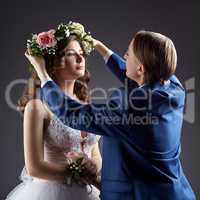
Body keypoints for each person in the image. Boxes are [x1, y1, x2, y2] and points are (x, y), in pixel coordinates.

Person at [26, 30, 196, 200]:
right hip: (175, 192)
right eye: (72, 54)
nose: (124, 56)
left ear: (141, 67)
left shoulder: (129, 107)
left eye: (128, 54)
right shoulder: (173, 87)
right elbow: (142, 76)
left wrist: (42, 73)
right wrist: (100, 47)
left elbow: (71, 114)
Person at [6, 24, 102, 200]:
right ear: (53, 63)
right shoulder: (37, 107)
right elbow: (35, 167)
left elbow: (95, 154)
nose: (80, 58)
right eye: (71, 54)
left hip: (89, 192)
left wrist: (92, 167)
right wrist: (77, 173)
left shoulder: (86, 104)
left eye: (82, 53)